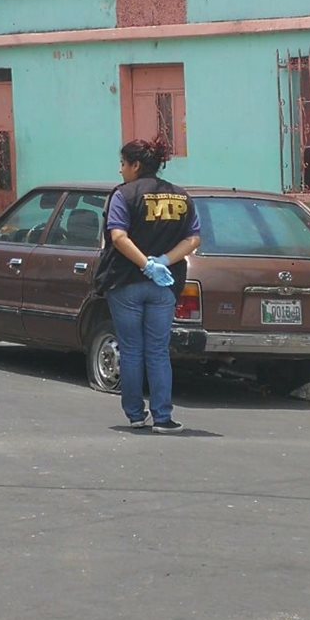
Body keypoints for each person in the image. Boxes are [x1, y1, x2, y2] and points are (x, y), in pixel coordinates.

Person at [94, 138, 201, 433]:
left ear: (136, 165)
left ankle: (135, 415)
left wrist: (145, 264)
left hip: (126, 281)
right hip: (164, 284)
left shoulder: (123, 195)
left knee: (131, 350)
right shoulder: (181, 197)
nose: (120, 170)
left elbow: (118, 237)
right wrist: (163, 262)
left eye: (123, 164)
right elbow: (194, 239)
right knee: (158, 350)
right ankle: (163, 417)